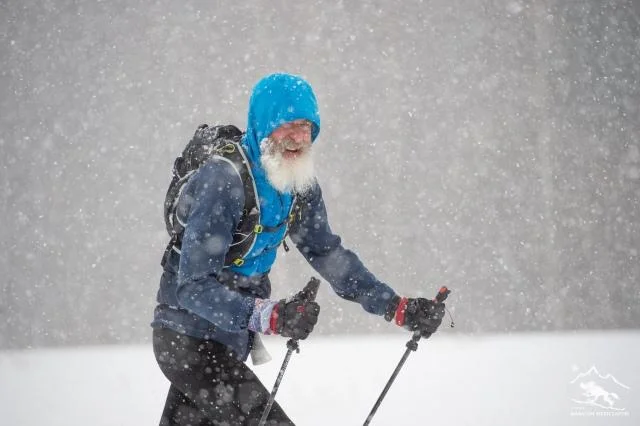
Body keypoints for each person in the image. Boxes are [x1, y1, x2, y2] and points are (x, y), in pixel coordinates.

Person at [151, 73, 446, 426]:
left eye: (306, 126)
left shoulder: (297, 185)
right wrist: (270, 315)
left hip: (229, 342)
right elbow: (192, 287)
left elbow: (328, 254)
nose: (297, 137)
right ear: (263, 126)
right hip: (187, 339)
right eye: (286, 125)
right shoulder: (223, 179)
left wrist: (395, 306)